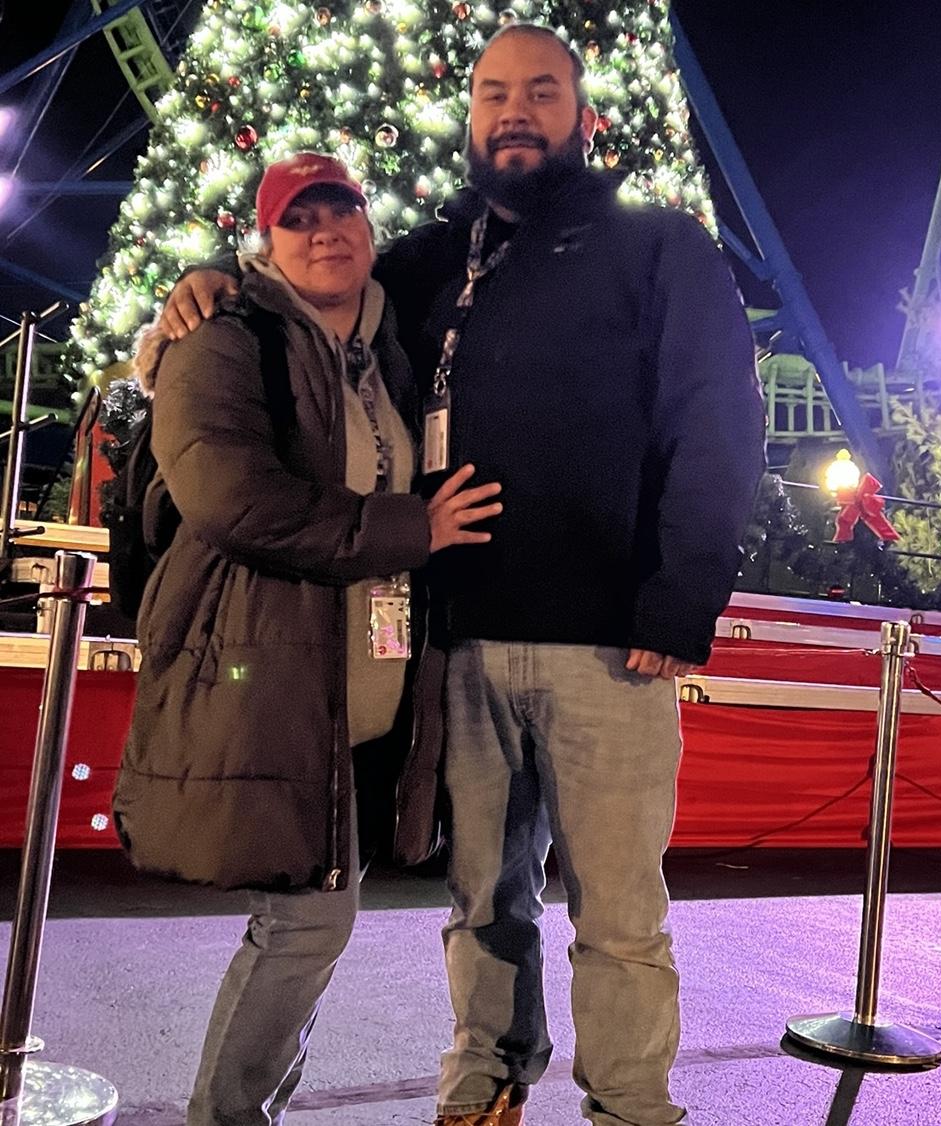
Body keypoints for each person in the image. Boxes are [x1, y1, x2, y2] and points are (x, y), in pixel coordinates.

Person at [161, 22, 766, 1126]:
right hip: (461, 641)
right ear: (474, 117)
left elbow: (717, 422)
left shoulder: (660, 249)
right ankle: (485, 1081)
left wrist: (681, 598)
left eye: (541, 92)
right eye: (493, 94)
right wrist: (205, 281)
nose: (514, 112)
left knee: (618, 913)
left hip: (610, 644)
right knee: (482, 898)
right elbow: (307, 283)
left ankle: (629, 1105)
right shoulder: (435, 259)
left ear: (585, 118)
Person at [115, 152, 501, 1126]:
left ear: (368, 226)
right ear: (267, 241)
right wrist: (412, 528)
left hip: (361, 691)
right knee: (305, 922)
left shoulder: (388, 349)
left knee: (315, 921)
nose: (326, 232)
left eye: (342, 212)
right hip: (267, 671)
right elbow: (232, 500)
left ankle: (250, 1106)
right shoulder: (224, 338)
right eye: (301, 218)